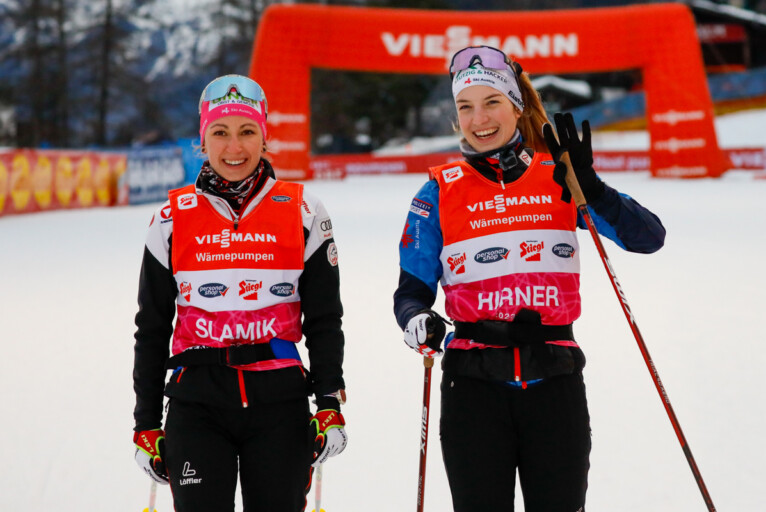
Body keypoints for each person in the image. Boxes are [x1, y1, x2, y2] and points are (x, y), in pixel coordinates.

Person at [394, 46, 666, 511]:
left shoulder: (559, 176)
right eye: (466, 107)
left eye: (491, 102)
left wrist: (592, 188)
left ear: (516, 106)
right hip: (473, 389)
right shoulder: (437, 190)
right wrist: (417, 319)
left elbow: (648, 238)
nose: (479, 118)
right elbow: (411, 291)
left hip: (554, 382)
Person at [132, 74, 347, 512]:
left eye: (247, 132)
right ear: (203, 139)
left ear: (264, 136)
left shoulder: (304, 211)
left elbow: (324, 320)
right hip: (196, 405)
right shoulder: (171, 218)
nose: (235, 147)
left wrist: (328, 401)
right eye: (221, 132)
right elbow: (152, 327)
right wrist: (146, 422)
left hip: (280, 403)